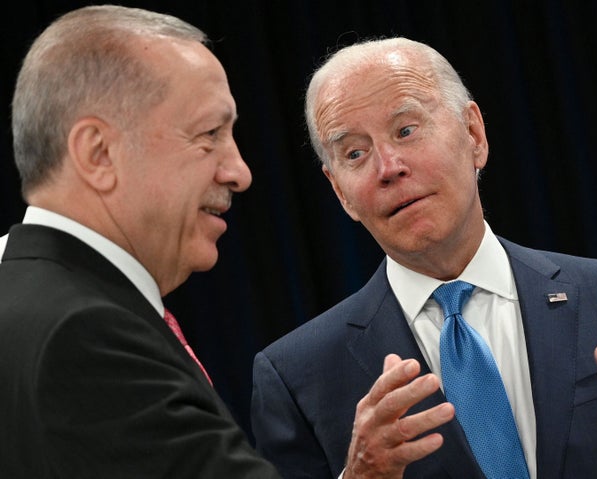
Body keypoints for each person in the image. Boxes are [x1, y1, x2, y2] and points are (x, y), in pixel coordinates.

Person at [0, 8, 453, 479]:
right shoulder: (86, 335)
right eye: (209, 134)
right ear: (98, 153)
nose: (239, 172)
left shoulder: (19, 298)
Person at [251, 37, 597, 479]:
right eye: (355, 153)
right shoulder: (296, 377)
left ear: (474, 134)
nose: (388, 167)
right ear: (340, 193)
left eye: (406, 129)